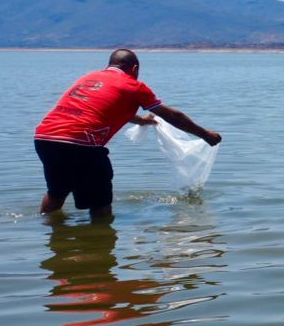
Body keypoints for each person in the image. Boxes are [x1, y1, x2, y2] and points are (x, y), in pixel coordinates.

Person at [34, 48, 221, 222]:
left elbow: (108, 107)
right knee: (100, 204)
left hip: (45, 138)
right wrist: (205, 134)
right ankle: (97, 246)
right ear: (135, 68)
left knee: (57, 192)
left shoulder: (89, 78)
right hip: (81, 143)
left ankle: (46, 231)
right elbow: (172, 115)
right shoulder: (134, 86)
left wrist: (141, 121)